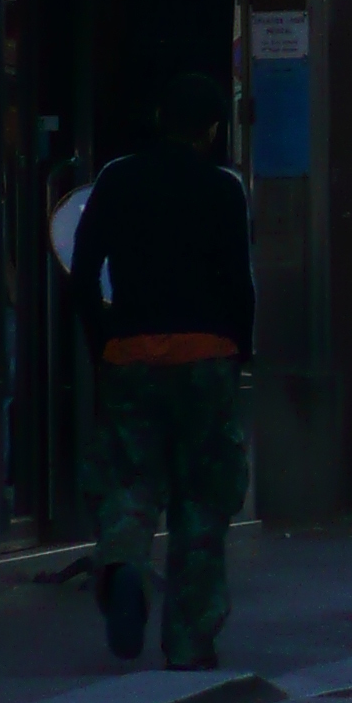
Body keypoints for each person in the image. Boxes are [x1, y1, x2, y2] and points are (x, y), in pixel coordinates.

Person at [70, 69, 253, 672]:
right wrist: (236, 351)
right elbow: (239, 282)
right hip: (206, 355)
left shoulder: (117, 178)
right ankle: (190, 640)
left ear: (157, 119)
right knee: (202, 501)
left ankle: (122, 565)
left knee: (128, 480)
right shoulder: (223, 187)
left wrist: (104, 339)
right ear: (211, 129)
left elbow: (84, 266)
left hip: (131, 353)